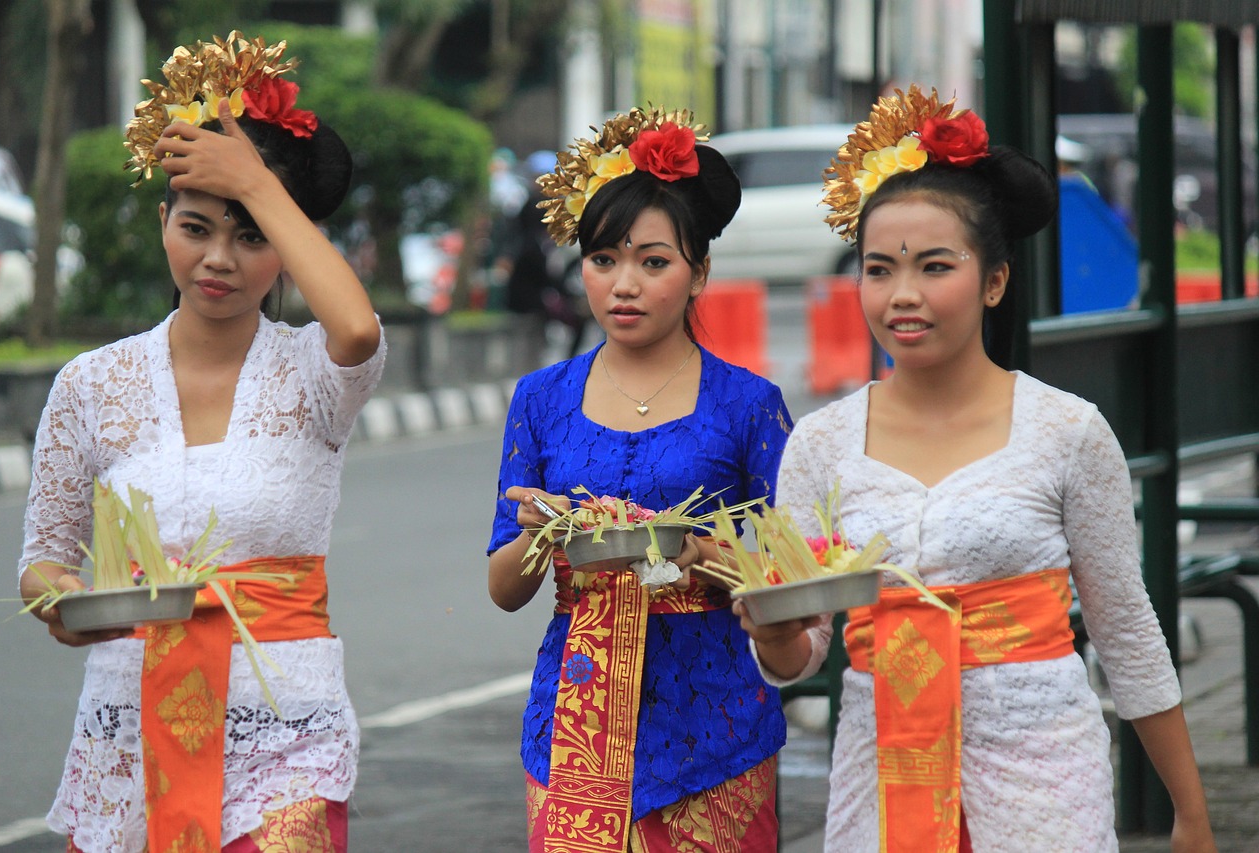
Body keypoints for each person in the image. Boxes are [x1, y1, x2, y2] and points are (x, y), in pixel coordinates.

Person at [735, 86, 1216, 852]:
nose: (904, 296)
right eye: (879, 269)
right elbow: (801, 656)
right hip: (882, 787)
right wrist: (775, 634)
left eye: (935, 266)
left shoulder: (1066, 430)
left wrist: (1191, 813)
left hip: (1042, 784)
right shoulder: (820, 443)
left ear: (993, 281)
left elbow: (1126, 631)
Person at [17, 32, 384, 853]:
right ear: (162, 221)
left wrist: (253, 178)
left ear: (286, 245)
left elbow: (357, 324)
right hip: (131, 728)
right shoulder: (91, 383)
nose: (218, 258)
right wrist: (67, 604)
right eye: (195, 227)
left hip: (286, 739)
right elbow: (42, 557)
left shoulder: (315, 376)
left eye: (252, 236)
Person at [487, 106, 794, 851]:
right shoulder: (540, 399)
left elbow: (793, 576)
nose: (624, 284)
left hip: (715, 729)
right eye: (603, 260)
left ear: (700, 273)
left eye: (653, 262)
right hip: (574, 722)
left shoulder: (750, 405)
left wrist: (697, 556)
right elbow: (503, 590)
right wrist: (539, 532)